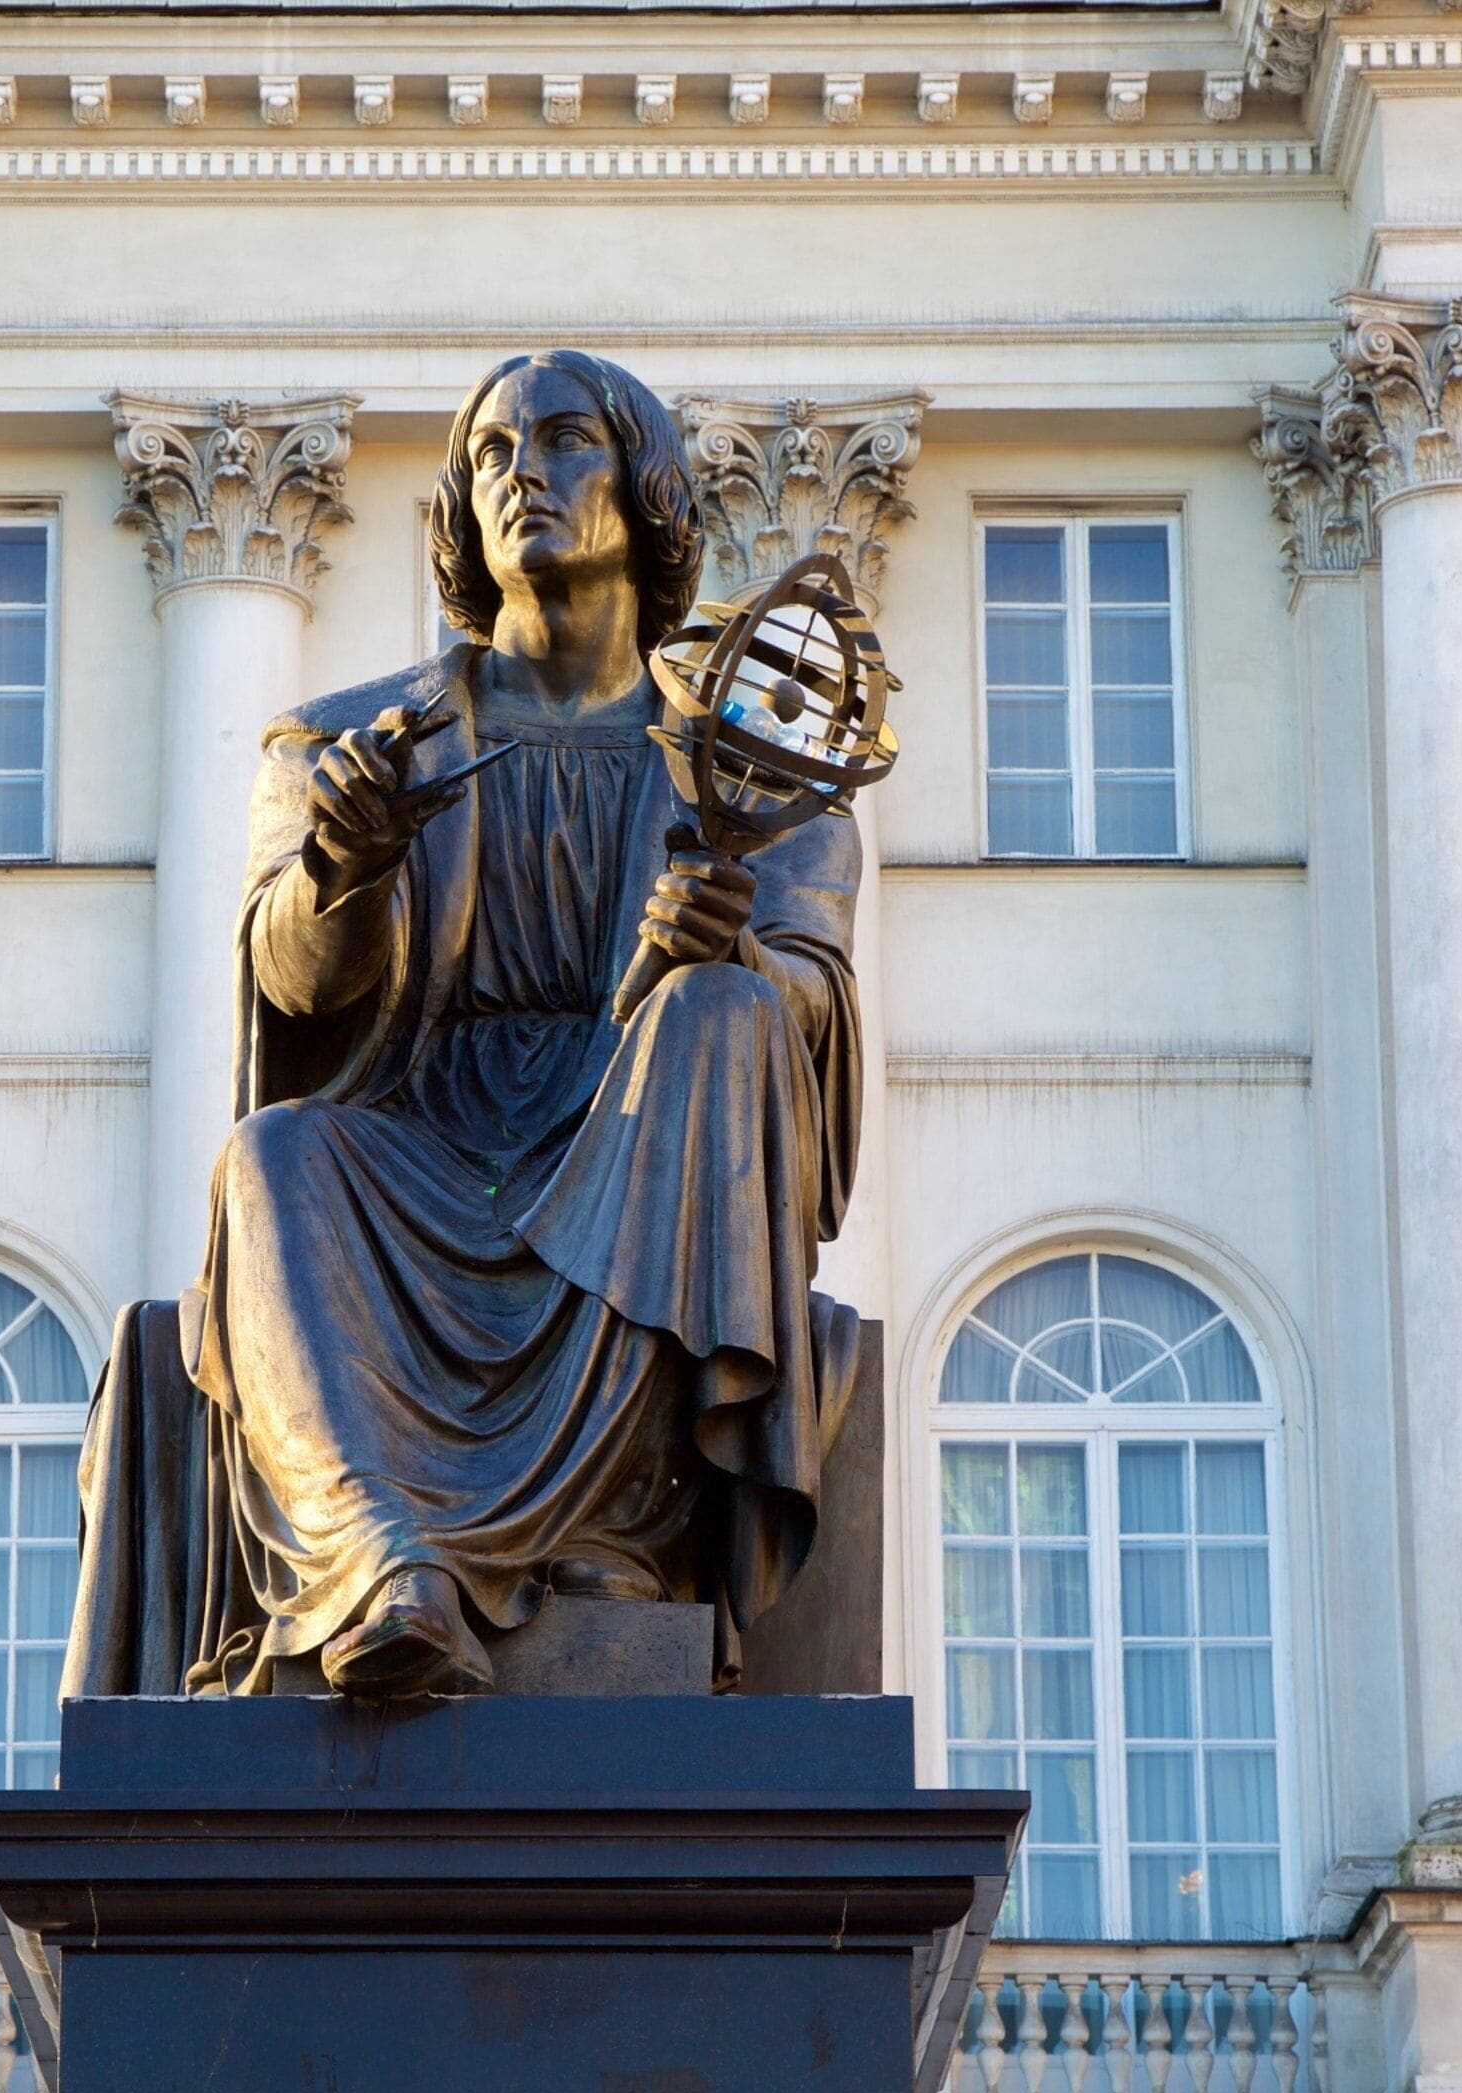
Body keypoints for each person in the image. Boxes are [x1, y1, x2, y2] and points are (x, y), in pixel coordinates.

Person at [66, 350, 865, 1700]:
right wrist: (343, 864)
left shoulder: (755, 770)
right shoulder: (343, 743)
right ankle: (384, 1563)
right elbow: (294, 989)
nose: (522, 479)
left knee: (723, 1015)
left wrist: (723, 952)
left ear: (649, 494)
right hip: (425, 1144)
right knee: (271, 1160)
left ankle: (617, 1530)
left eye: (564, 445)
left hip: (638, 1133)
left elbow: (808, 998)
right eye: (491, 456)